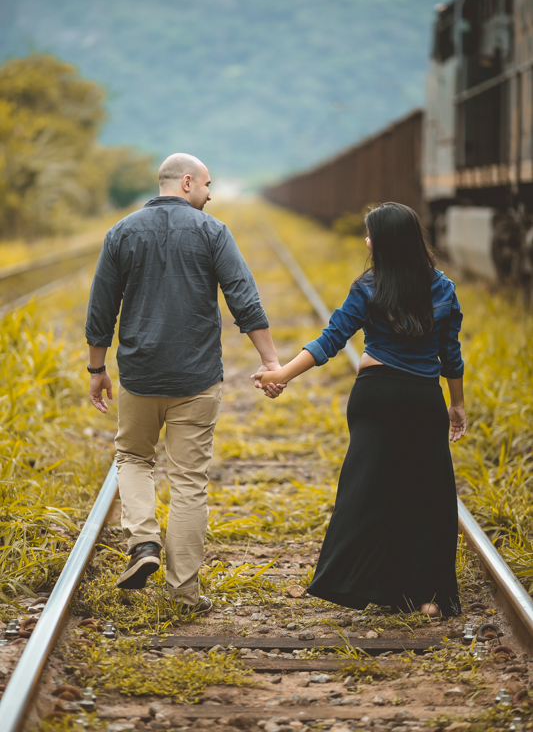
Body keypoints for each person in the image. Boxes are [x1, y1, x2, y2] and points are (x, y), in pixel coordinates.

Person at [86, 153, 284, 614]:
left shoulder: (121, 232)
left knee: (133, 457)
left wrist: (97, 370)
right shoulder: (213, 232)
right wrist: (271, 360)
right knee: (189, 481)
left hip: (140, 375)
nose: (211, 194)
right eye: (208, 185)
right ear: (188, 182)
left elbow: (101, 307)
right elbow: (243, 297)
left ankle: (143, 543)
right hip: (197, 378)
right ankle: (183, 592)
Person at [254, 202, 467, 617]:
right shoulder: (443, 288)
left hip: (375, 398)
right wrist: (456, 404)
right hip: (423, 399)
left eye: (371, 234)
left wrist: (282, 374)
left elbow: (331, 340)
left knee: (367, 492)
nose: (366, 240)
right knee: (426, 494)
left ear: (385, 242)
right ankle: (425, 596)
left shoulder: (368, 286)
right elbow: (451, 355)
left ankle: (356, 582)